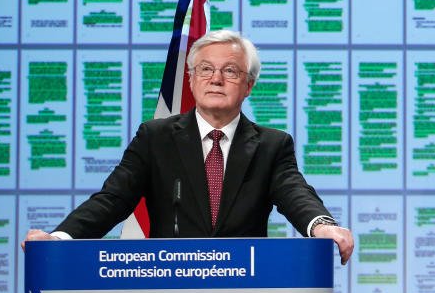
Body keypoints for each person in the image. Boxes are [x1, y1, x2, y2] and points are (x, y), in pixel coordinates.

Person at [23, 30, 354, 264]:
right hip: (169, 284)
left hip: (248, 287)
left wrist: (322, 226)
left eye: (231, 71)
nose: (216, 79)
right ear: (192, 79)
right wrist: (58, 239)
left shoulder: (272, 144)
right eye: (206, 69)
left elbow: (295, 193)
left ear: (249, 85)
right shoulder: (155, 138)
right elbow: (112, 200)